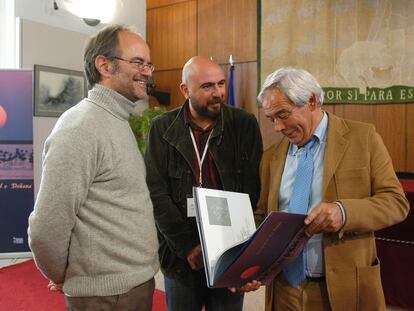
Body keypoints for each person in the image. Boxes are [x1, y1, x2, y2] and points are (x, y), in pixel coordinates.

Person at [254, 67, 410, 311]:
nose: (278, 127)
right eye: (271, 119)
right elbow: (263, 216)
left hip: (344, 290)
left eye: (283, 114)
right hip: (284, 291)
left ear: (312, 101)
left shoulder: (363, 137)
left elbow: (396, 203)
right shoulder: (271, 157)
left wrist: (343, 212)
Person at [28, 25, 159, 311]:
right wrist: (65, 274)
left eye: (149, 64)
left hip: (130, 285)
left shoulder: (115, 119)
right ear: (104, 65)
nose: (147, 72)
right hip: (107, 295)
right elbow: (46, 227)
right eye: (138, 62)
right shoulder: (80, 127)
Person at [144, 56, 263, 310]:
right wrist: (187, 246)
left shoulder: (244, 125)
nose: (218, 93)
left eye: (221, 84)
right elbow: (156, 193)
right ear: (185, 90)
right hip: (180, 254)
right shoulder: (162, 128)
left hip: (229, 249)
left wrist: (234, 245)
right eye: (207, 87)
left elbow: (252, 189)